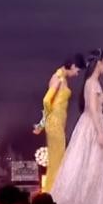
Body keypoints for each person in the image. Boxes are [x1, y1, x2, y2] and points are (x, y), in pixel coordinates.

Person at [50, 49, 103, 204]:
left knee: (92, 165)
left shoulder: (92, 83)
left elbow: (95, 105)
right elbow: (92, 110)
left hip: (91, 125)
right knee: (91, 166)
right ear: (99, 63)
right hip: (92, 127)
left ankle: (89, 203)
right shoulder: (92, 83)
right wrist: (99, 133)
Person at [33, 54, 85, 192]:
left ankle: (52, 193)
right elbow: (46, 100)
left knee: (57, 160)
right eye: (77, 70)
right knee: (57, 161)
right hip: (55, 122)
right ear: (72, 66)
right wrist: (42, 123)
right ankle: (51, 193)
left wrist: (42, 124)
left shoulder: (62, 78)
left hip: (58, 122)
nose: (77, 74)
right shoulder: (58, 77)